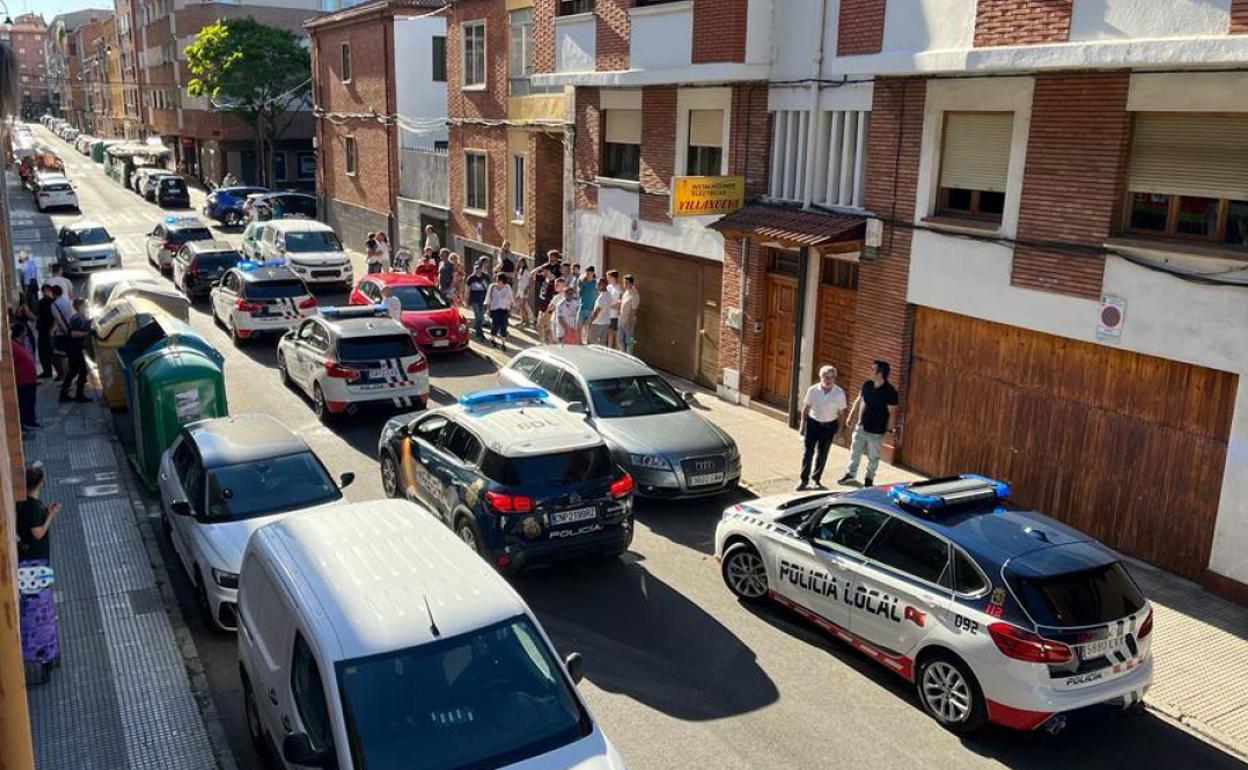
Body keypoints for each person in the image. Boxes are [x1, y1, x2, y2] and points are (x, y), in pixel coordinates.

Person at [838, 361, 900, 488]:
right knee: (855, 452)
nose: (869, 371)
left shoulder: (890, 392)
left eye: (872, 369)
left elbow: (892, 412)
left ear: (880, 373)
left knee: (873, 457)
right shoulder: (867, 385)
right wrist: (851, 416)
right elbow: (859, 400)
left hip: (876, 431)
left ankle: (869, 479)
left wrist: (891, 429)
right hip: (861, 426)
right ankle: (850, 475)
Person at [797, 366, 848, 491]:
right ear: (821, 377)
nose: (829, 380)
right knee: (808, 453)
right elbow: (806, 408)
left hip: (829, 426)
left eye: (831, 377)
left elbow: (841, 414)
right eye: (826, 377)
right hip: (813, 424)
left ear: (835, 378)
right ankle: (803, 480)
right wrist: (802, 424)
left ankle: (816, 480)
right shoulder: (813, 390)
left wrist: (840, 431)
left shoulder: (839, 393)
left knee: (823, 454)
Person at [58, 299, 92, 404]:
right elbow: (72, 333)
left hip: (75, 348)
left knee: (75, 371)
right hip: (74, 349)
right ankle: (77, 395)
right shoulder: (77, 318)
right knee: (79, 371)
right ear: (79, 307)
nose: (87, 307)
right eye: (85, 306)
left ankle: (67, 394)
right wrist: (87, 333)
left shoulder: (80, 317)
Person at [13, 324, 40, 432]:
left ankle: (31, 421)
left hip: (31, 378)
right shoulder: (14, 346)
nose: (26, 333)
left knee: (31, 401)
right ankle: (23, 423)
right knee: (23, 402)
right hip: (22, 380)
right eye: (25, 331)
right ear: (21, 332)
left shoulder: (25, 342)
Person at [49, 284, 72, 381]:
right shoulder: (67, 302)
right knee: (68, 355)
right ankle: (69, 376)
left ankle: (65, 376)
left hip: (61, 333)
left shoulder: (54, 305)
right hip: (70, 330)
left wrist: (55, 331)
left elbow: (58, 320)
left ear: (53, 294)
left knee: (62, 356)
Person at [485, 272, 514, 349]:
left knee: (504, 326)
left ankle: (503, 343)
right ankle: (493, 338)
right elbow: (488, 298)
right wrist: (488, 309)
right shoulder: (492, 287)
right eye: (497, 280)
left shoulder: (507, 287)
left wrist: (510, 309)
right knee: (496, 325)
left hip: (504, 309)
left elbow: (511, 299)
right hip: (494, 309)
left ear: (503, 281)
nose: (498, 282)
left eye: (499, 280)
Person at [466, 260, 491, 340]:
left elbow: (488, 289)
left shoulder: (485, 277)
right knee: (477, 316)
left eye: (479, 268)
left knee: (481, 316)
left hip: (483, 299)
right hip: (474, 299)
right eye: (476, 268)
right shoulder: (471, 278)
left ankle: (477, 328)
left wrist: (489, 300)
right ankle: (479, 333)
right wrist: (467, 300)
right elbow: (468, 290)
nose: (477, 270)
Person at [35, 284, 56, 379]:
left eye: (48, 291)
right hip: (44, 329)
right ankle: (47, 371)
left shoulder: (53, 302)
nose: (47, 293)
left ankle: (50, 371)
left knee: (49, 352)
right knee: (44, 352)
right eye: (45, 291)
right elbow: (38, 315)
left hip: (49, 330)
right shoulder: (43, 302)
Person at [585, 278, 612, 345]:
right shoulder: (609, 295)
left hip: (598, 323)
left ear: (603, 285)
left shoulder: (601, 297)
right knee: (602, 343)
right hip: (606, 322)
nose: (596, 286)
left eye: (598, 284)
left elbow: (596, 312)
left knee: (591, 341)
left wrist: (590, 322)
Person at [618, 273, 640, 354]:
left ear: (631, 283)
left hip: (628, 320)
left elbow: (634, 310)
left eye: (626, 283)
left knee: (629, 340)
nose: (624, 285)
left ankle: (628, 356)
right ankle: (622, 354)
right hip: (621, 318)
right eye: (624, 283)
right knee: (620, 339)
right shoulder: (626, 292)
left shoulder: (634, 295)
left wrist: (629, 320)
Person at [604, 269, 623, 348]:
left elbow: (621, 301)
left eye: (609, 277)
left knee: (615, 333)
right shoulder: (608, 287)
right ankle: (609, 348)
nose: (607, 278)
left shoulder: (619, 288)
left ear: (613, 277)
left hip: (615, 315)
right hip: (608, 314)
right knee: (609, 333)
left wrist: (611, 305)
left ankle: (617, 349)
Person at [577, 266, 597, 337]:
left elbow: (597, 295)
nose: (588, 274)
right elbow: (579, 294)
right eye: (587, 272)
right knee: (579, 325)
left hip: (591, 308)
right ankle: (579, 341)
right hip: (582, 306)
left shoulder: (596, 283)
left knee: (589, 326)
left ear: (593, 273)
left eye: (590, 272)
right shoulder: (582, 282)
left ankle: (588, 341)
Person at [513, 258, 533, 328]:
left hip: (524, 290)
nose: (520, 263)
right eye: (519, 262)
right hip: (520, 290)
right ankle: (523, 320)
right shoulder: (520, 270)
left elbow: (531, 279)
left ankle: (527, 321)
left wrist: (527, 288)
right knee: (520, 306)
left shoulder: (527, 271)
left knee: (523, 306)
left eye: (521, 262)